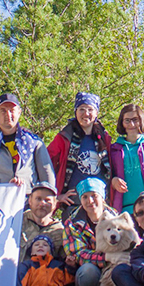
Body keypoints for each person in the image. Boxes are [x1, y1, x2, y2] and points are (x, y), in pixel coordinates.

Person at [48, 92, 112, 220]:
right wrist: (57, 195)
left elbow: (111, 169)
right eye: (81, 109)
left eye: (90, 109)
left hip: (100, 203)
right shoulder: (65, 137)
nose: (85, 113)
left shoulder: (104, 138)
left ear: (96, 113)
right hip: (74, 203)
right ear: (75, 112)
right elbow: (45, 164)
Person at [0, 93, 54, 194]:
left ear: (19, 112)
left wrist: (50, 199)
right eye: (3, 110)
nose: (8, 114)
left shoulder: (34, 142)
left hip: (29, 202)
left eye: (12, 110)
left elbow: (47, 176)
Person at [61, 177, 117, 286]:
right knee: (87, 272)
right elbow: (78, 254)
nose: (90, 201)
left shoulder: (116, 218)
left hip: (114, 266)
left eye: (94, 196)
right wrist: (106, 257)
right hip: (90, 271)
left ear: (102, 197)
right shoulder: (72, 223)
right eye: (85, 197)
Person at [20, 181, 65, 258]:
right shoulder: (18, 221)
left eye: (47, 200)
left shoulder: (60, 231)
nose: (42, 203)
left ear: (55, 204)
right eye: (38, 199)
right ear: (30, 201)